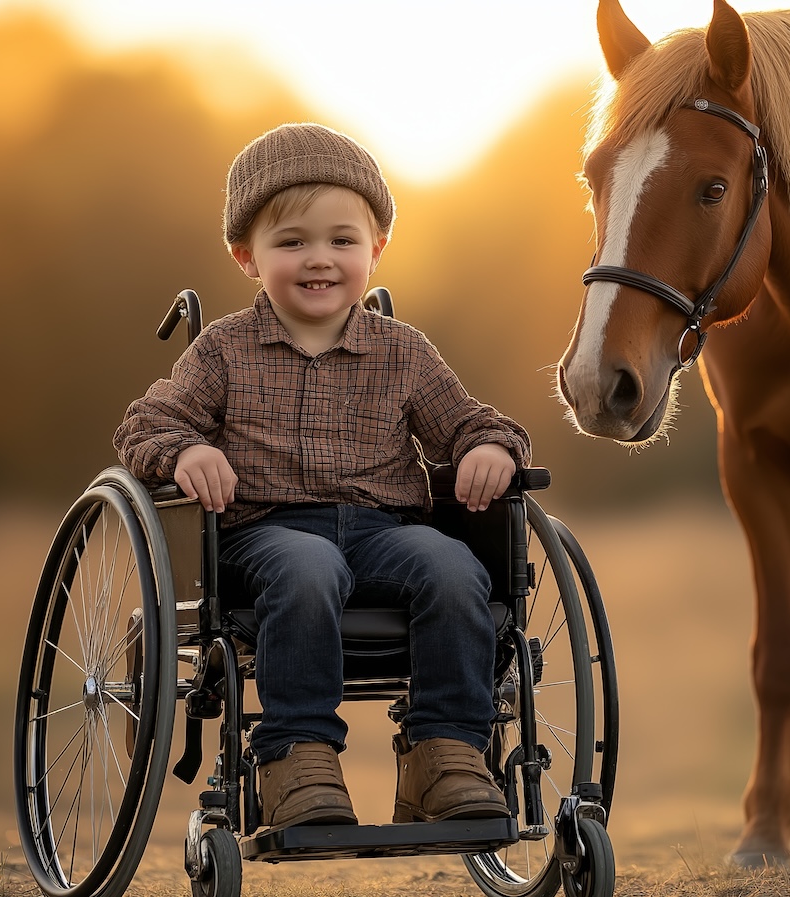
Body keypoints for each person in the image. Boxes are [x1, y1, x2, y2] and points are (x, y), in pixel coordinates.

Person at [114, 122, 529, 831]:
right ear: (247, 256)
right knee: (307, 565)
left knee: (456, 567)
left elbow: (473, 423)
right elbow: (142, 427)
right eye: (292, 242)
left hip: (384, 534)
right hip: (264, 538)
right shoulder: (223, 351)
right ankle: (295, 755)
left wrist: (491, 448)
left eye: (342, 240)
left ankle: (446, 751)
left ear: (377, 248)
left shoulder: (403, 352)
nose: (320, 259)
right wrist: (186, 452)